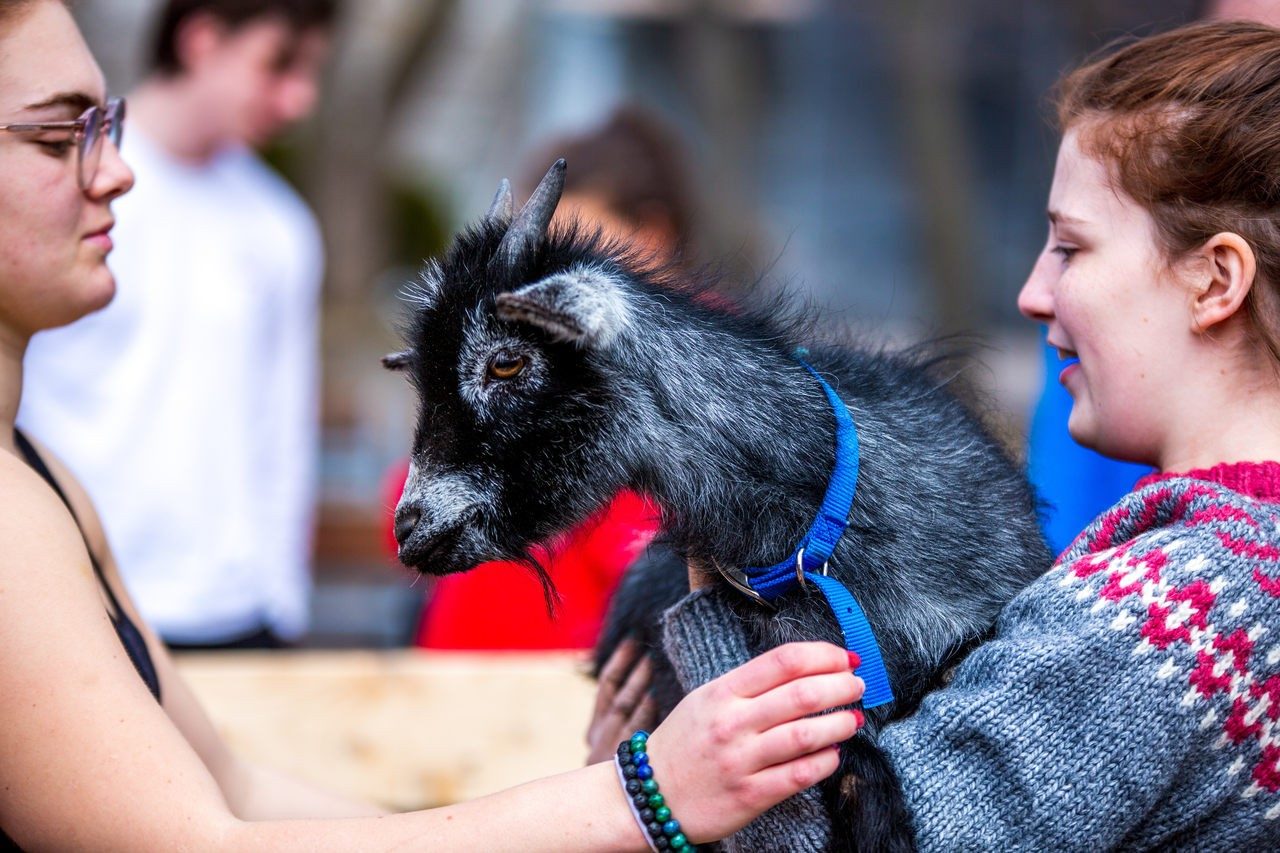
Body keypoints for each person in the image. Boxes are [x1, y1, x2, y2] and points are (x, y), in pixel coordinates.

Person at [0, 1, 866, 847]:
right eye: (53, 137)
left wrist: (581, 810)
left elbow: (229, 781)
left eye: (105, 125)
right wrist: (645, 798)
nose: (116, 170)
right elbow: (196, 838)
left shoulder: (45, 481)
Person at [651, 20, 1280, 850]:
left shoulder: (1180, 613)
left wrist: (718, 609)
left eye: (1070, 246)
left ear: (1215, 279)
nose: (1031, 293)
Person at [17, 0, 334, 649]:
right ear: (201, 38)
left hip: (237, 614)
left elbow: (282, 427)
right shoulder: (55, 205)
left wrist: (282, 602)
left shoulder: (280, 226)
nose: (299, 98)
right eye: (278, 64)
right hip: (79, 605)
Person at [388, 107, 699, 653]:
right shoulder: (529, 358)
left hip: (588, 700)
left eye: (574, 253)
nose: (544, 289)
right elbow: (399, 510)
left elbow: (643, 561)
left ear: (653, 235)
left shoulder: (699, 393)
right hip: (458, 678)